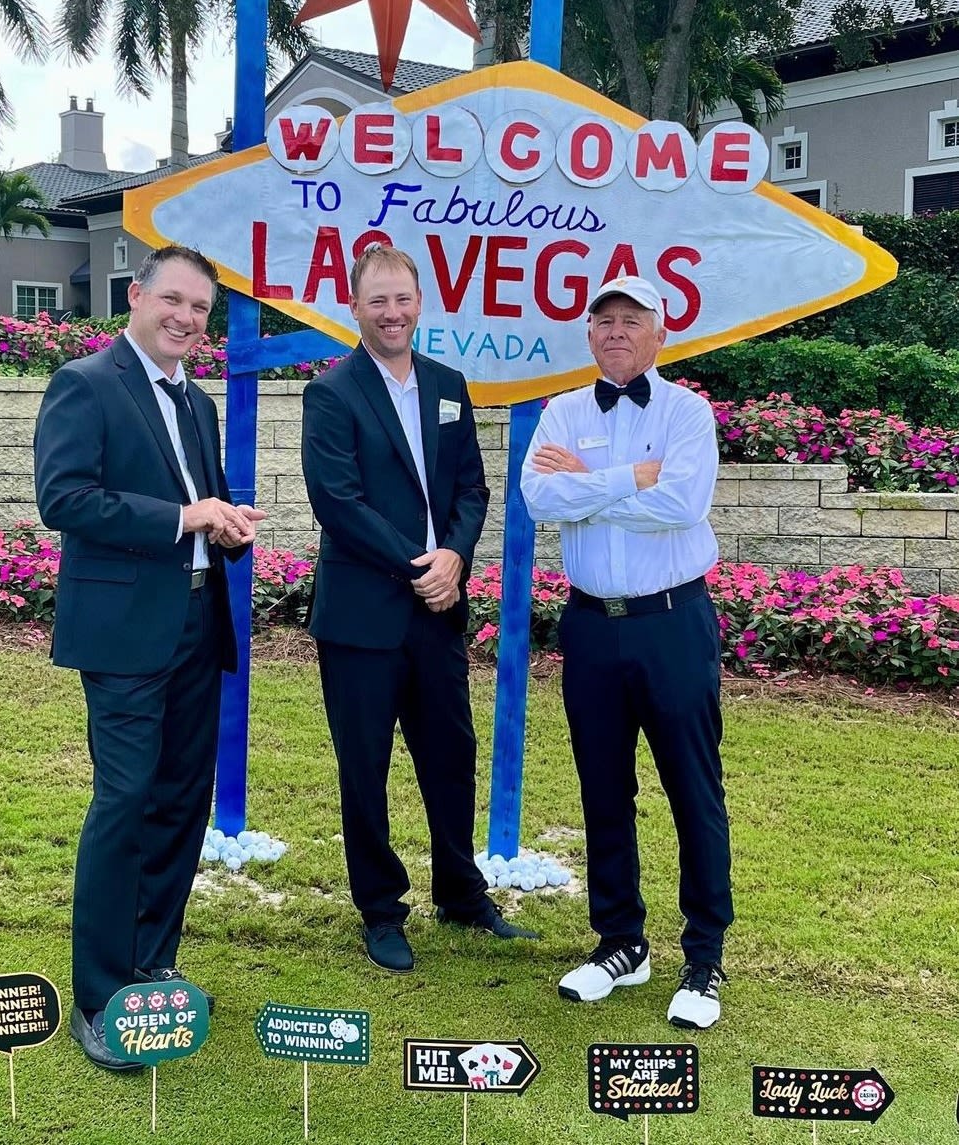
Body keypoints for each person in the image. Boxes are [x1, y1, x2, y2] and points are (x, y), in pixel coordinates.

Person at [34, 245, 265, 1070]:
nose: (186, 318)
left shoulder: (196, 402)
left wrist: (226, 524)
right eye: (173, 299)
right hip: (124, 634)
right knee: (126, 799)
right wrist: (184, 517)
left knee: (180, 800)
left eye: (200, 308)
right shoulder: (85, 383)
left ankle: (151, 965)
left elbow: (200, 505)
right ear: (135, 296)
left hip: (198, 624)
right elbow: (64, 498)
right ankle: (99, 997)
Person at [301, 243, 537, 974]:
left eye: (402, 298)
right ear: (354, 307)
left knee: (450, 756)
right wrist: (421, 566)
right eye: (378, 300)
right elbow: (338, 503)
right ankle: (380, 909)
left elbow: (471, 487)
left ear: (420, 303)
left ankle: (461, 894)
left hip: (438, 611)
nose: (392, 312)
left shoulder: (446, 384)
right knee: (364, 768)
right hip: (363, 617)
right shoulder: (331, 394)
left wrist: (456, 557)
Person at [520, 274, 731, 1029]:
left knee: (692, 788)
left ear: (660, 333)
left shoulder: (687, 413)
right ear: (589, 334)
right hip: (590, 627)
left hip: (672, 621)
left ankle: (704, 956)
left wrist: (590, 483)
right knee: (603, 788)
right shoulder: (562, 412)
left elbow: (682, 504)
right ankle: (621, 942)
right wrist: (631, 478)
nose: (616, 330)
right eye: (604, 319)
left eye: (632, 319)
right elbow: (539, 499)